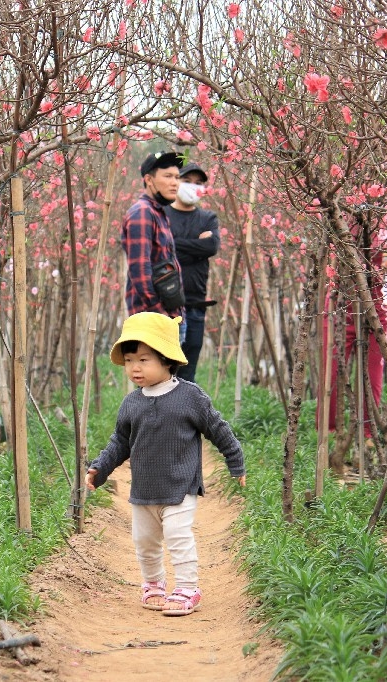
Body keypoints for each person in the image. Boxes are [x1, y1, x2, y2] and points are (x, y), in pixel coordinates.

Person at [86, 312, 246, 617]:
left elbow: (218, 429)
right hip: (144, 489)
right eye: (130, 359)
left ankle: (188, 587)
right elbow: (119, 442)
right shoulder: (131, 403)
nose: (135, 367)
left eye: (144, 359)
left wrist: (235, 462)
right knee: (145, 541)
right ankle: (154, 584)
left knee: (177, 535)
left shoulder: (190, 397)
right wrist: (100, 469)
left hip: (180, 485)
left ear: (167, 360)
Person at [322, 224, 387, 448]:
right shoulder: (337, 219)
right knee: (332, 370)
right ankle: (329, 433)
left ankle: (368, 434)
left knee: (373, 370)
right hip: (340, 304)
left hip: (376, 305)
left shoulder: (385, 224)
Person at [121, 151, 186, 343]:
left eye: (177, 177)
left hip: (168, 318)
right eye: (168, 176)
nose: (175, 183)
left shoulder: (158, 213)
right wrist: (162, 316)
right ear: (149, 180)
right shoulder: (142, 213)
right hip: (152, 322)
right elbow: (140, 273)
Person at [164, 161, 220, 383]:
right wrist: (197, 247)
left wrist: (175, 245)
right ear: (176, 182)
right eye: (187, 181)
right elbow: (161, 251)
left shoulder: (208, 218)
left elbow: (211, 247)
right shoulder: (163, 215)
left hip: (196, 304)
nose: (192, 186)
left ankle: (183, 418)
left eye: (198, 183)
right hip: (165, 305)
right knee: (162, 372)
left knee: (187, 376)